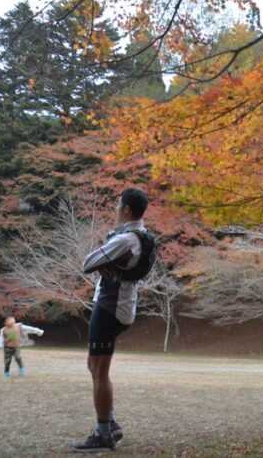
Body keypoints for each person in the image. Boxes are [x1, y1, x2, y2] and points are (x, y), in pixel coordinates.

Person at [72, 188, 150, 452]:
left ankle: (104, 432)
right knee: (93, 366)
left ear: (127, 210)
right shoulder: (143, 235)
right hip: (120, 306)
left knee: (100, 370)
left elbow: (88, 262)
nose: (116, 210)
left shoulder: (126, 239)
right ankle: (110, 423)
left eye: (119, 206)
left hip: (110, 308)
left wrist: (102, 260)